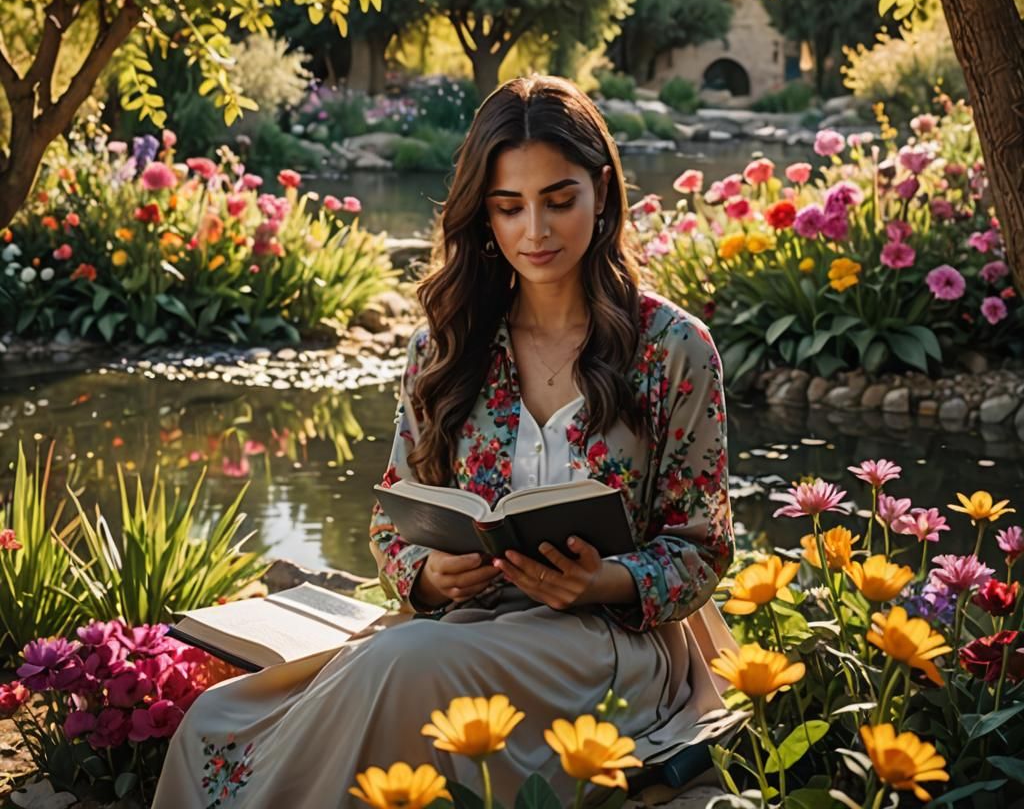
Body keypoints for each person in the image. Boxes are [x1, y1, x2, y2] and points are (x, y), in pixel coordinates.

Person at [152, 75, 736, 808]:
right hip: (464, 627)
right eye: (508, 207)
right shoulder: (448, 345)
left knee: (404, 662)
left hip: (610, 643)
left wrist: (602, 581)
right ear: (482, 214)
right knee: (219, 717)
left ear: (603, 191)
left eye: (559, 200)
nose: (536, 231)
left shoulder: (673, 347)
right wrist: (431, 576)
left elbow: (702, 547)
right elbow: (394, 529)